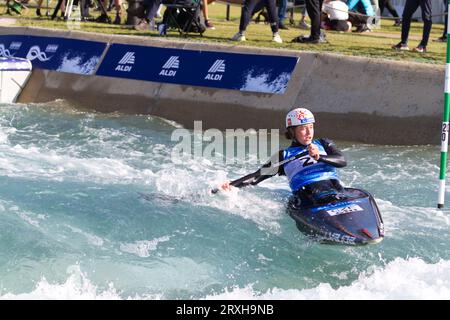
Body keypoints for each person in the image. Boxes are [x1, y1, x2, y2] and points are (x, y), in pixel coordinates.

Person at [218, 108, 347, 205]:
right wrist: (232, 185)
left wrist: (319, 157)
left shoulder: (323, 143)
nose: (309, 132)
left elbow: (342, 161)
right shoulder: (284, 155)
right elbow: (257, 177)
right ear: (292, 131)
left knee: (333, 190)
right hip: (308, 196)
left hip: (334, 189)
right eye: (303, 128)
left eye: (311, 127)